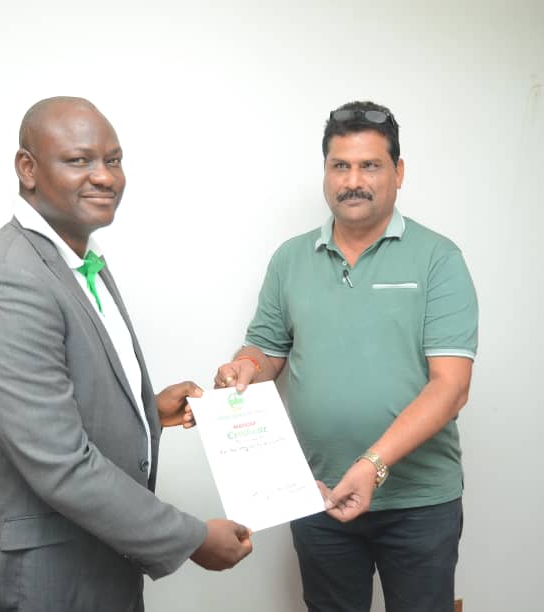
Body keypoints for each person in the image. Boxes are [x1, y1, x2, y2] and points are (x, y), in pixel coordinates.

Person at [0, 96, 252, 612]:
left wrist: (146, 411)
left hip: (99, 560)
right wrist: (192, 539)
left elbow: (61, 396)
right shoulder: (4, 280)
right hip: (43, 579)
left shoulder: (79, 260)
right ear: (27, 169)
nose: (105, 176)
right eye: (79, 160)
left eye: (113, 159)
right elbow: (60, 462)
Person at [210, 101, 477, 612]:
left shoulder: (438, 258)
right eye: (340, 166)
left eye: (370, 165)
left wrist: (372, 464)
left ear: (398, 172)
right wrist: (246, 368)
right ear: (326, 172)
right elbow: (266, 349)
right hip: (316, 493)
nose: (353, 181)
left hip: (418, 504)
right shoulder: (290, 258)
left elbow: (452, 387)